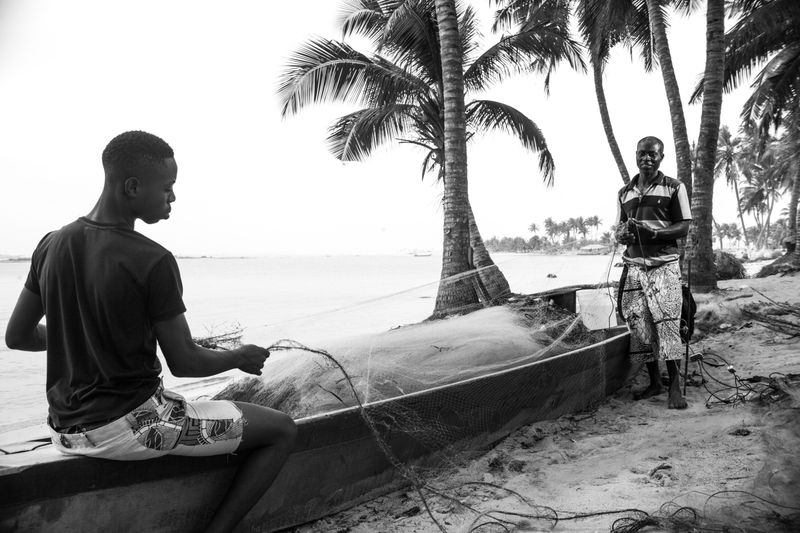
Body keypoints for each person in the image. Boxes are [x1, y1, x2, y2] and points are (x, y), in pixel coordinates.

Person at [5, 131, 297, 532]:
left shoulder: (50, 245)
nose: (172, 198)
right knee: (282, 429)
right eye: (168, 188)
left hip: (65, 430)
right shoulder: (152, 260)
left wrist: (78, 336)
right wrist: (239, 358)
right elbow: (185, 362)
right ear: (132, 187)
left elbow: (17, 337)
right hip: (135, 430)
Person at [614, 136, 691, 409]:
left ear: (661, 158)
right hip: (634, 267)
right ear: (636, 155)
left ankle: (674, 388)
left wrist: (655, 232)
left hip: (664, 266)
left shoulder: (674, 187)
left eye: (653, 154)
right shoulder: (625, 192)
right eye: (642, 154)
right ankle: (654, 382)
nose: (647, 158)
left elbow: (683, 226)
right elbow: (621, 228)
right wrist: (622, 235)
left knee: (668, 323)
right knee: (639, 325)